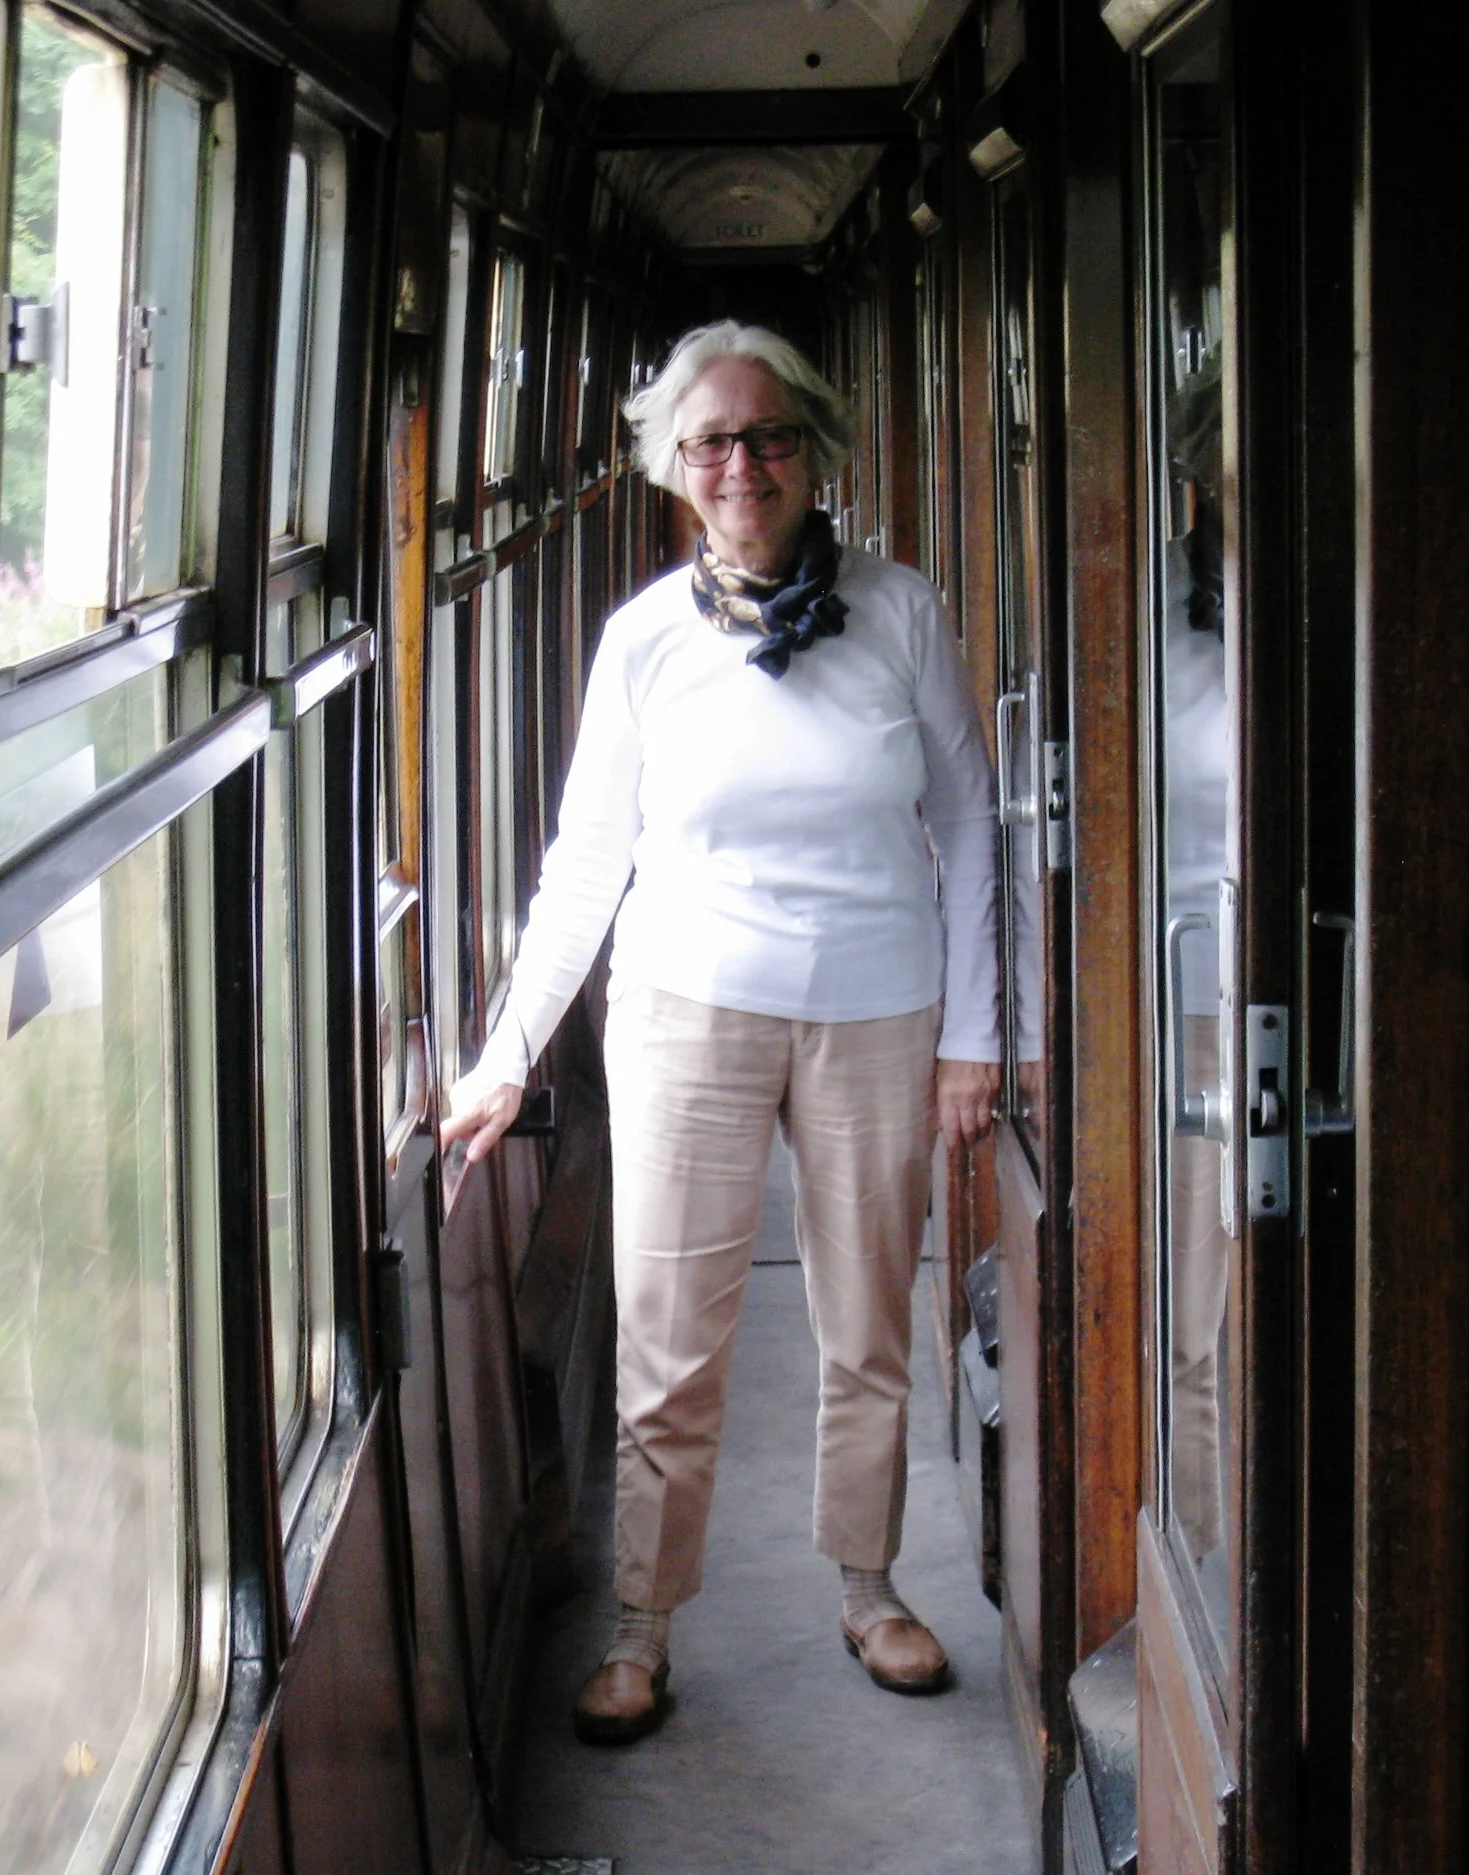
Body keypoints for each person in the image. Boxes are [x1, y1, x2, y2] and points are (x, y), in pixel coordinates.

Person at [439, 320, 1014, 1746]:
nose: (742, 465)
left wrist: (980, 1030)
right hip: (685, 1006)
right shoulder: (642, 642)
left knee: (867, 1318)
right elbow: (587, 860)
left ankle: (871, 1586)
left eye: (769, 437)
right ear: (672, 467)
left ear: (815, 452)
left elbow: (969, 819)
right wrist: (509, 1052)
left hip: (878, 1008)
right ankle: (642, 1623)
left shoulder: (901, 612)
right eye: (712, 442)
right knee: (670, 1330)